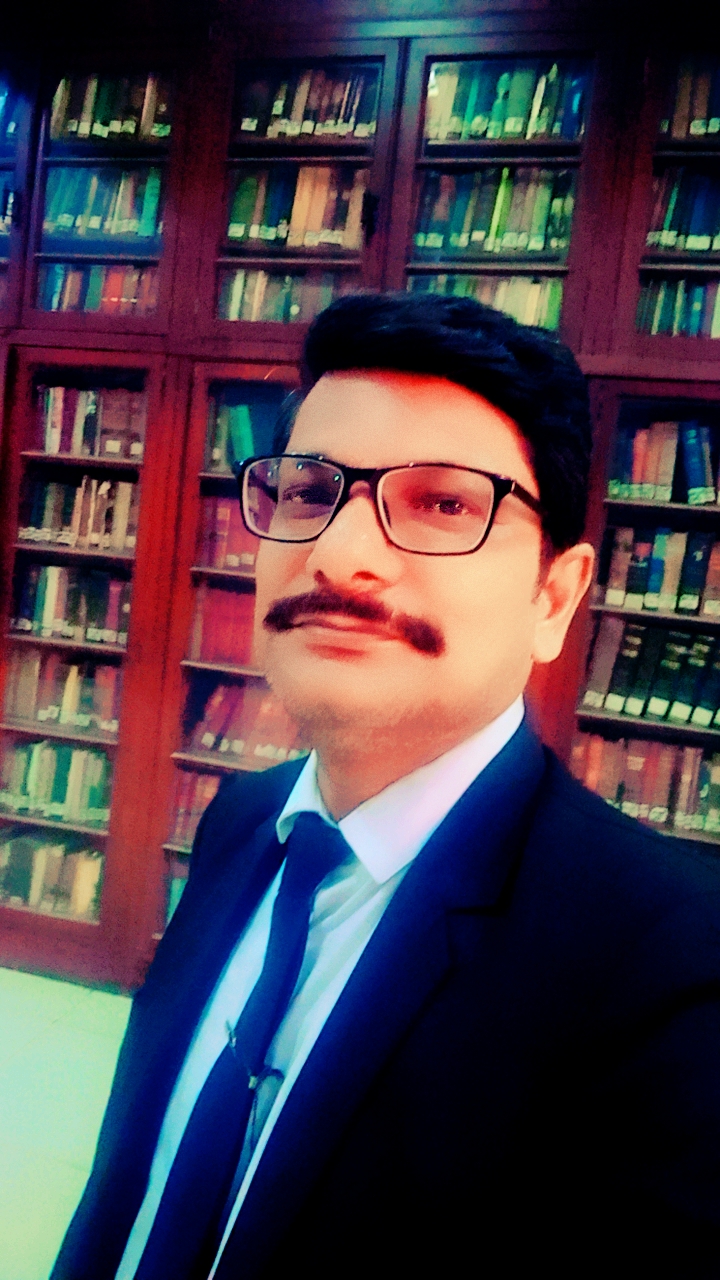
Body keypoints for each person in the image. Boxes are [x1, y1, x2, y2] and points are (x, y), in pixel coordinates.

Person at [53, 294, 720, 1280]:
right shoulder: (244, 821)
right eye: (307, 490)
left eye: (444, 503)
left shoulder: (673, 968)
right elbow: (132, 1188)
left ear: (553, 597)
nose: (338, 554)